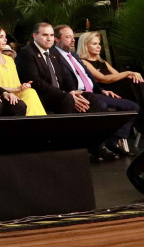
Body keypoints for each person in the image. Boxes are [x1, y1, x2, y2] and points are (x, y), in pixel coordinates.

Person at [53, 25, 138, 157]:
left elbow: (88, 78)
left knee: (132, 107)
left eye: (72, 36)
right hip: (78, 95)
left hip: (95, 93)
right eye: (68, 37)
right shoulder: (54, 57)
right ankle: (99, 146)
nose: (72, 40)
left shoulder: (74, 56)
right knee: (101, 105)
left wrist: (102, 90)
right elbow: (60, 81)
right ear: (57, 40)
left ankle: (112, 141)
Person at [0, 25, 46, 116]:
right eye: (1, 37)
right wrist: (13, 90)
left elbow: (16, 84)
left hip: (15, 94)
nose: (5, 40)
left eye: (5, 37)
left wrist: (22, 86)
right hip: (0, 95)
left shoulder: (9, 59)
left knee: (30, 92)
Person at [14, 23, 76, 114]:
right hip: (42, 94)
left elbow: (64, 76)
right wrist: (62, 93)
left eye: (51, 35)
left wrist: (72, 91)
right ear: (35, 36)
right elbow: (35, 81)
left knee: (90, 98)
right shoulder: (27, 52)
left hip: (59, 93)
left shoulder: (54, 52)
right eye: (45, 35)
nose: (49, 39)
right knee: (66, 99)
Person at [78, 31, 144, 113]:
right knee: (132, 84)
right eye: (94, 44)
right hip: (105, 89)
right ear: (85, 46)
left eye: (99, 44)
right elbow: (103, 79)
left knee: (136, 81)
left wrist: (131, 75)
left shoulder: (102, 61)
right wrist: (128, 73)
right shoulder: (83, 61)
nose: (99, 47)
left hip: (116, 86)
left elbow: (117, 75)